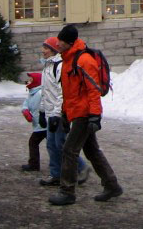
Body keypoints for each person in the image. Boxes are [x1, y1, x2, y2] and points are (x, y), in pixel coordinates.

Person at [48, 24, 122, 206]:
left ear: (69, 42)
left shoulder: (84, 60)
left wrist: (95, 116)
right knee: (91, 151)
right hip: (77, 112)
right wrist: (65, 114)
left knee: (69, 150)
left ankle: (67, 192)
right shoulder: (67, 60)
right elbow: (69, 92)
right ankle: (112, 185)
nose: (57, 44)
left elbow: (93, 91)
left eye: (61, 41)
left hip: (85, 113)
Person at [39, 36, 89, 187]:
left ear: (53, 50)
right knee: (51, 145)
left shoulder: (59, 67)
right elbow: (45, 92)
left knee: (61, 143)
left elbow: (62, 92)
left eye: (46, 48)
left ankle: (81, 167)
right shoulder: (47, 66)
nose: (43, 51)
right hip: (50, 113)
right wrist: (42, 111)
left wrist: (56, 114)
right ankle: (56, 174)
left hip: (59, 113)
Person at [19, 72, 46, 172]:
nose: (28, 81)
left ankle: (34, 165)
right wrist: (25, 111)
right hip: (39, 125)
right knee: (54, 145)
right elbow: (26, 104)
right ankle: (34, 164)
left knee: (33, 142)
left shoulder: (40, 93)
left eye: (31, 80)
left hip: (44, 124)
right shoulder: (32, 93)